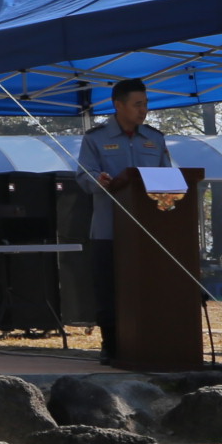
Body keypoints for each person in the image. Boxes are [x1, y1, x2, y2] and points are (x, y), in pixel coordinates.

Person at [76, 77, 170, 359]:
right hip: (109, 230)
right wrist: (98, 180)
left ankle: (150, 341)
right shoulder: (95, 138)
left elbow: (169, 181)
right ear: (118, 105)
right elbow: (83, 175)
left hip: (148, 231)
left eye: (146, 104)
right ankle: (111, 345)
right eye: (137, 104)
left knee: (149, 287)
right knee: (109, 289)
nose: (143, 110)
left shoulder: (155, 138)